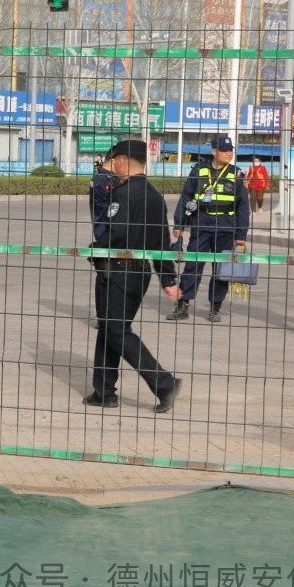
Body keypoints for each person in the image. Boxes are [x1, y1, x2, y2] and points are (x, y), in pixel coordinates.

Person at [86, 139, 185, 413]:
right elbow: (161, 243)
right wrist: (168, 280)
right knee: (110, 328)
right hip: (140, 275)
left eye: (114, 160)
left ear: (122, 160)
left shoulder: (123, 194)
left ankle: (164, 383)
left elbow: (113, 234)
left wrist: (96, 248)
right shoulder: (155, 196)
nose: (112, 166)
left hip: (117, 272)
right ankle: (103, 390)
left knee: (117, 331)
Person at [168, 134, 250, 323]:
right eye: (224, 150)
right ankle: (183, 306)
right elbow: (186, 197)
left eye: (231, 150)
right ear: (214, 151)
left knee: (221, 269)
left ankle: (215, 307)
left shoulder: (237, 174)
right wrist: (179, 224)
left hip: (226, 226)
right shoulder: (199, 170)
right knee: (192, 266)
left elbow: (243, 207)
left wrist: (241, 233)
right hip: (202, 223)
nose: (229, 153)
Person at [89, 153, 117, 245]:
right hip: (107, 233)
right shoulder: (104, 179)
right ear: (113, 161)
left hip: (103, 230)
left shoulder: (101, 177)